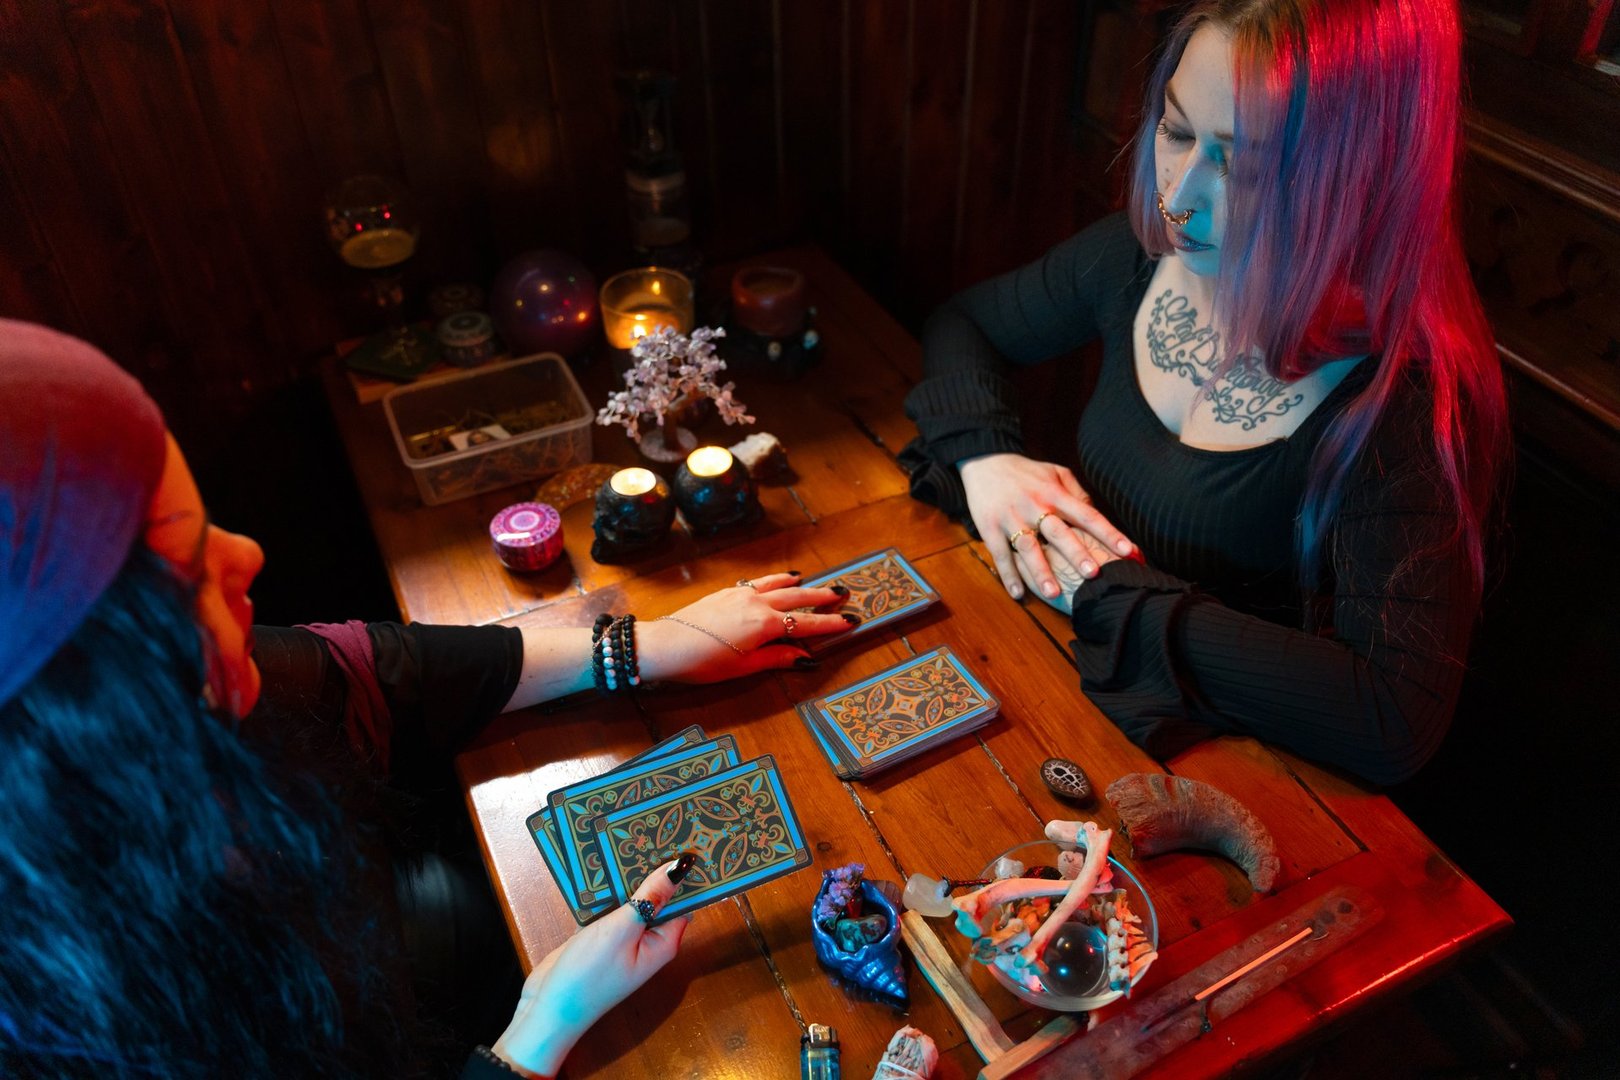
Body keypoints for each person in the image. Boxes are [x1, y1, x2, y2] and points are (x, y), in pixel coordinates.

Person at [0, 318, 855, 1078]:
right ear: (100, 699)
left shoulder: (179, 699)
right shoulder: (92, 1026)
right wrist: (535, 1034)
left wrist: (640, 648)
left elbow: (372, 669)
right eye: (193, 570)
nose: (247, 555)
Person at [900, 0, 1507, 786]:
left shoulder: (1405, 403)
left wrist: (1101, 591)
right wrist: (989, 459)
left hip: (1250, 783)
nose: (1179, 200)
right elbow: (964, 323)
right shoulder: (1142, 258)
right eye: (1178, 130)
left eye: (1243, 167)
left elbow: (1391, 718)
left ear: (1361, 179)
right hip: (1063, 699)